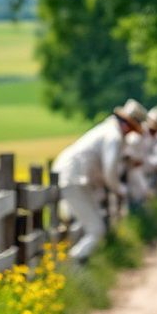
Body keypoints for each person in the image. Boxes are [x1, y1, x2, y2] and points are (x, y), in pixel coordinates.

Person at [52, 98, 148, 263]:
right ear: (127, 125)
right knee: (96, 229)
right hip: (74, 178)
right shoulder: (114, 137)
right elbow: (110, 170)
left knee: (85, 224)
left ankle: (72, 263)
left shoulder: (108, 131)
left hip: (74, 177)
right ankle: (74, 265)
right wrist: (120, 190)